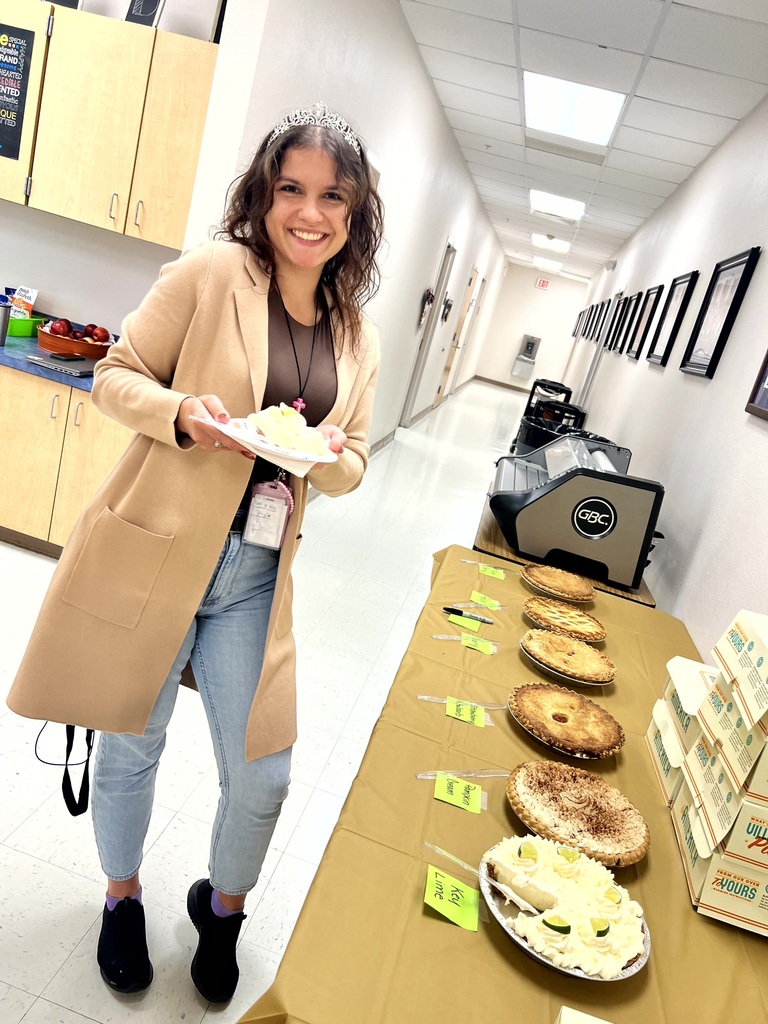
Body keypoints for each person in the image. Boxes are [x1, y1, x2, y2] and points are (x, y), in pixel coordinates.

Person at [7, 102, 384, 1004]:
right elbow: (116, 372)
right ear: (263, 194)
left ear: (355, 213)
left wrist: (328, 461)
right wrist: (181, 414)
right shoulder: (217, 274)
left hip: (256, 578)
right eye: (291, 188)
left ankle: (222, 911)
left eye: (332, 196)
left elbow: (357, 457)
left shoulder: (357, 333)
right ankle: (122, 898)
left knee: (265, 774)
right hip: (158, 551)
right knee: (132, 745)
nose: (309, 212)